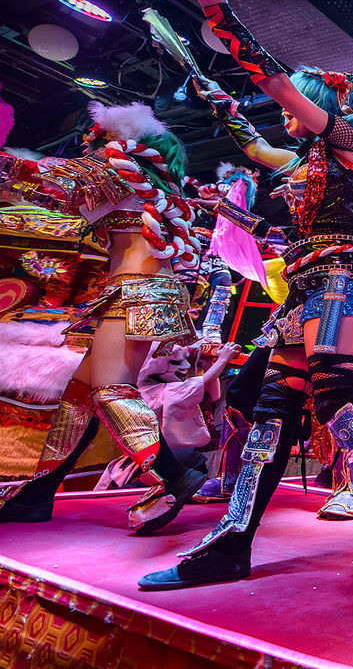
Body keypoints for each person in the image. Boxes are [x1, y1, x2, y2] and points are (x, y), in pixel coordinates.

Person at [138, 0, 353, 594]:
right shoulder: (302, 157)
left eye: (294, 99)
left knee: (336, 402)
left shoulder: (346, 138)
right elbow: (253, 140)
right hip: (303, 289)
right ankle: (235, 539)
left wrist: (220, 14)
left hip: (342, 281)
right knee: (271, 409)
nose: (283, 107)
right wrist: (222, 109)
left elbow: (270, 81)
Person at [0, 102, 206, 533]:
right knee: (79, 395)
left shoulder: (118, 170)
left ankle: (174, 475)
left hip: (134, 291)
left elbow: (49, 177)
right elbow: (63, 197)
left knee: (112, 390)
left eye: (102, 139)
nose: (92, 145)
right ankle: (37, 493)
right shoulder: (146, 184)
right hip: (139, 290)